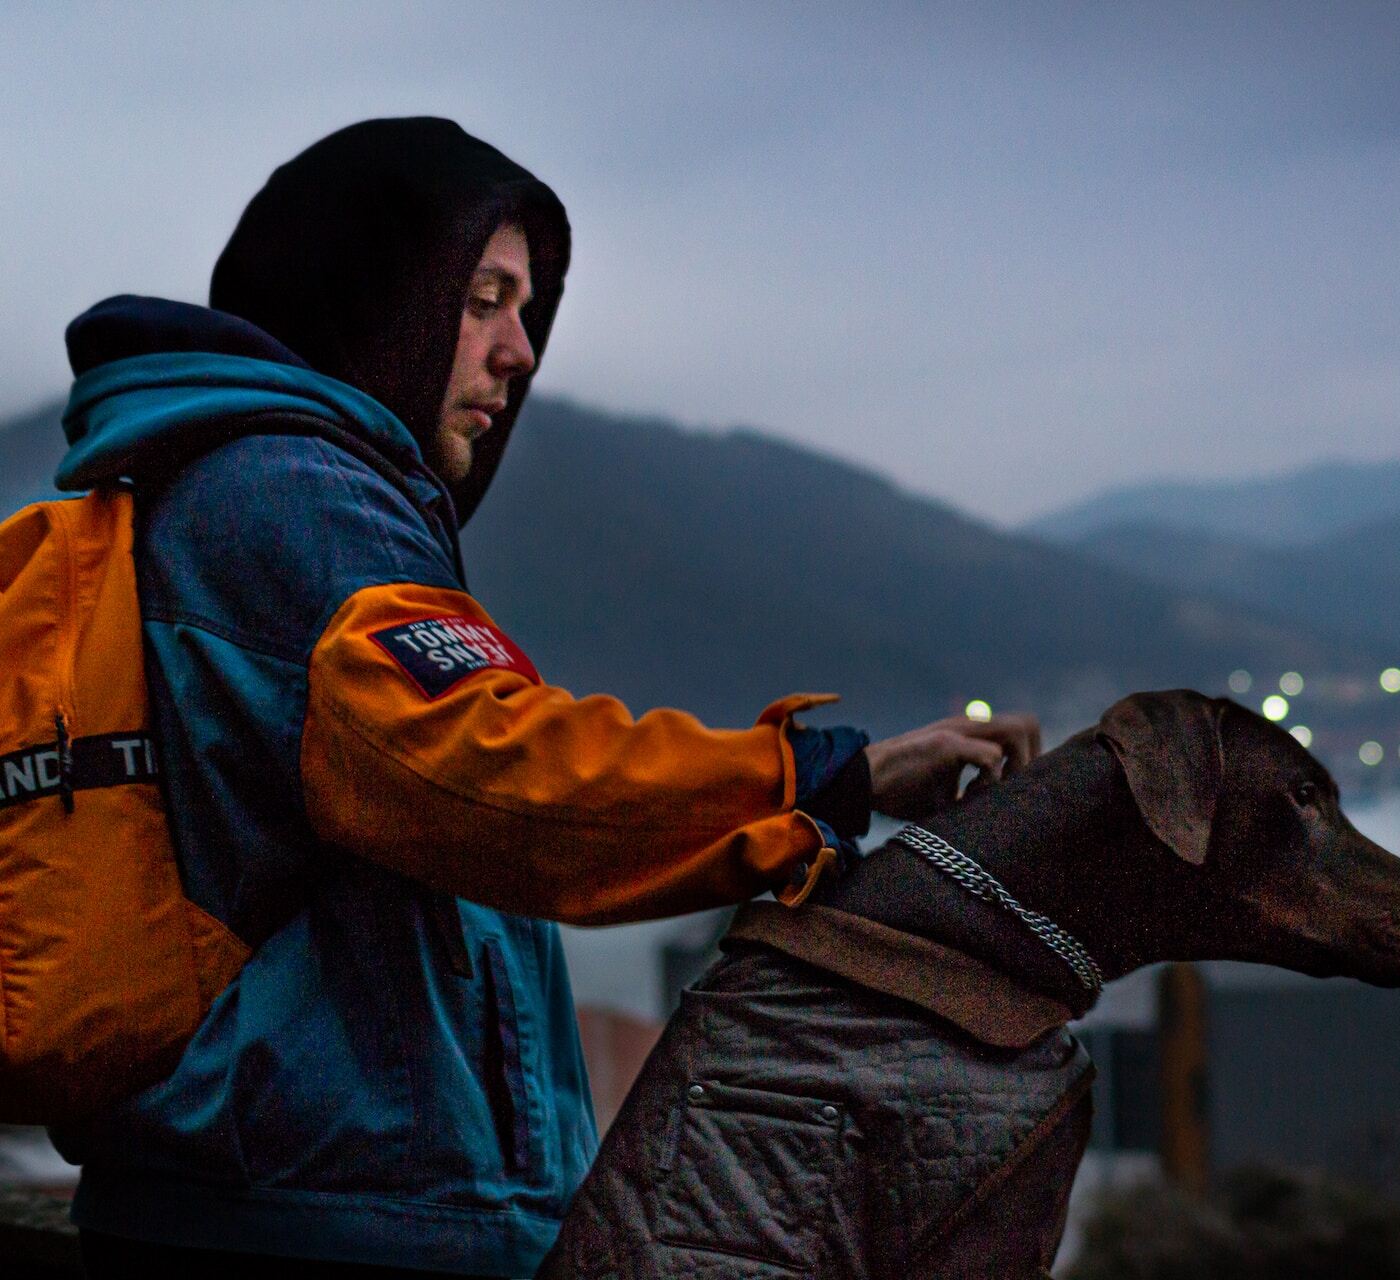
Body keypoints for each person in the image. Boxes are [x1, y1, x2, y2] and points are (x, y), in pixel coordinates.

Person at [51, 117, 1039, 1278]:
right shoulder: (294, 494)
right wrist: (818, 776)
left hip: (294, 1205)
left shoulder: (237, 485)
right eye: (480, 300)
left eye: (526, 308)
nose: (520, 350)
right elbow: (497, 770)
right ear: (373, 296)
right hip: (329, 1221)